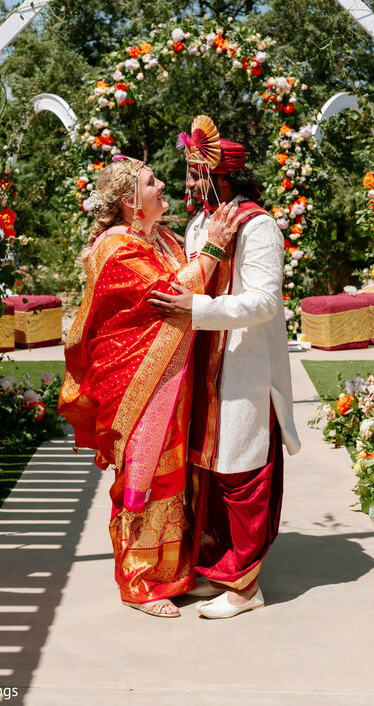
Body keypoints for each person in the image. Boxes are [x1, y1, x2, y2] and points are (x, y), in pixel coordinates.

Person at [58, 155, 237, 618]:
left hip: (167, 374)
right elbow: (170, 294)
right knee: (143, 472)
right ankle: (138, 581)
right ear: (129, 201)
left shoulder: (162, 239)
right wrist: (214, 247)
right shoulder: (117, 247)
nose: (162, 185)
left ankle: (172, 573)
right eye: (151, 181)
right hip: (132, 377)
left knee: (171, 469)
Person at [149, 129, 301, 619]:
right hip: (199, 363)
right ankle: (216, 570)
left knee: (242, 472)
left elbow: (264, 302)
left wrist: (195, 308)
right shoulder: (200, 224)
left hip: (242, 366)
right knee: (205, 469)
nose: (189, 182)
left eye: (196, 174)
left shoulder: (258, 227)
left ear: (221, 175)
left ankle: (246, 584)